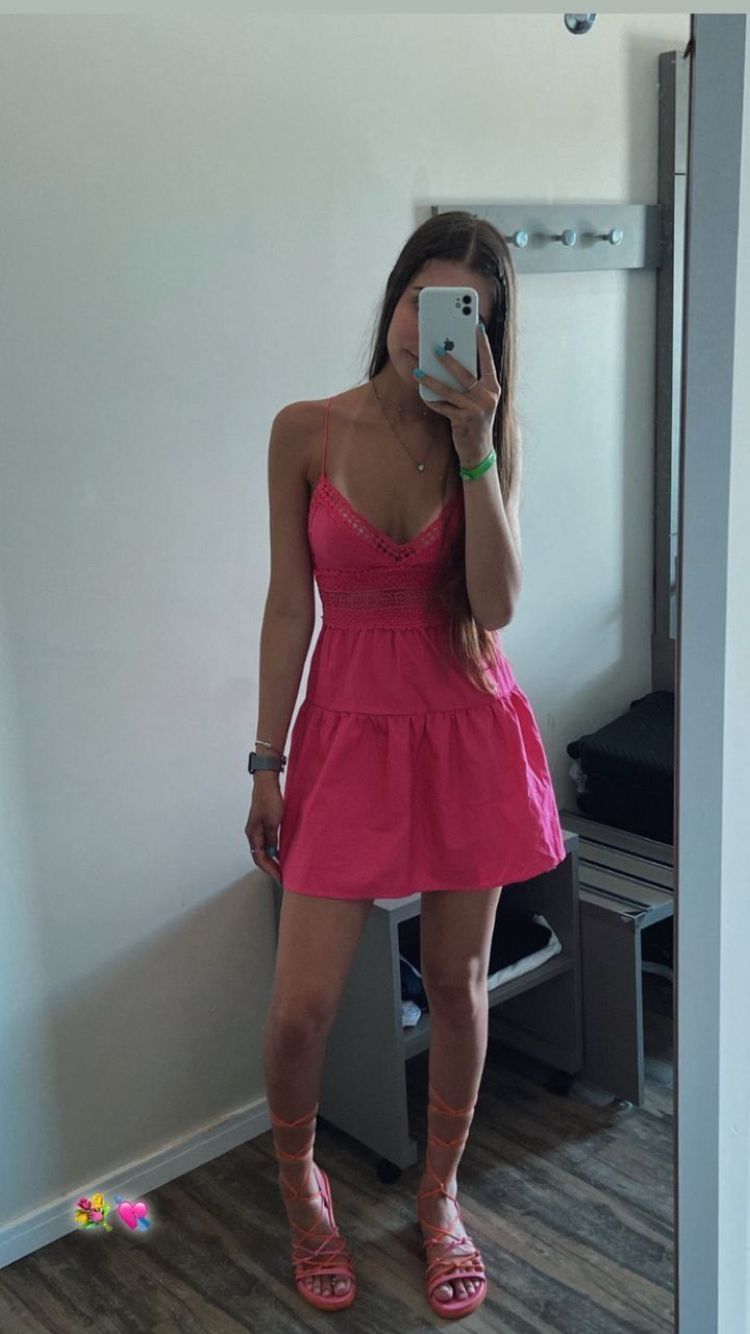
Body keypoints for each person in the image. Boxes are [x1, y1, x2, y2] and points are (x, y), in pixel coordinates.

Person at [246, 210, 567, 1319]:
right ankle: (303, 1188)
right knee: (301, 1009)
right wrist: (265, 760)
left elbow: (496, 605)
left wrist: (477, 445)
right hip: (345, 733)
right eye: (419, 299)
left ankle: (439, 1196)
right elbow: (289, 606)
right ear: (392, 298)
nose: (426, 326)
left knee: (457, 984)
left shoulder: (491, 438)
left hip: (464, 724)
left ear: (486, 333)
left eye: (459, 311)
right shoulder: (304, 431)